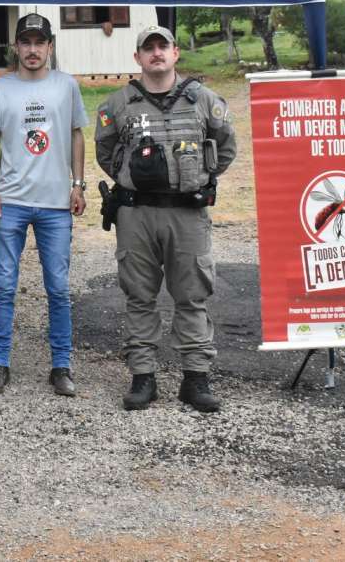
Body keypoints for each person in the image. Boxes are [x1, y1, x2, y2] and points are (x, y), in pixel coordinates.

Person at [94, 25, 236, 413]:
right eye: (148, 48)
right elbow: (105, 153)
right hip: (136, 214)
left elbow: (226, 147)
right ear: (137, 57)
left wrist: (199, 181)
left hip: (187, 213)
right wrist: (130, 180)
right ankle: (143, 378)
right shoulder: (116, 105)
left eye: (163, 47)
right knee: (139, 296)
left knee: (191, 295)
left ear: (175, 54)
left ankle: (196, 378)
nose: (156, 53)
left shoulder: (204, 100)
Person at [0, 13, 87, 398]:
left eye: (40, 43)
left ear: (50, 46)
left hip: (56, 205)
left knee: (57, 287)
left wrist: (78, 184)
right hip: (11, 202)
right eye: (26, 42)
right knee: (4, 285)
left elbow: (76, 134)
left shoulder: (66, 86)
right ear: (17, 48)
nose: (33, 49)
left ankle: (61, 365)